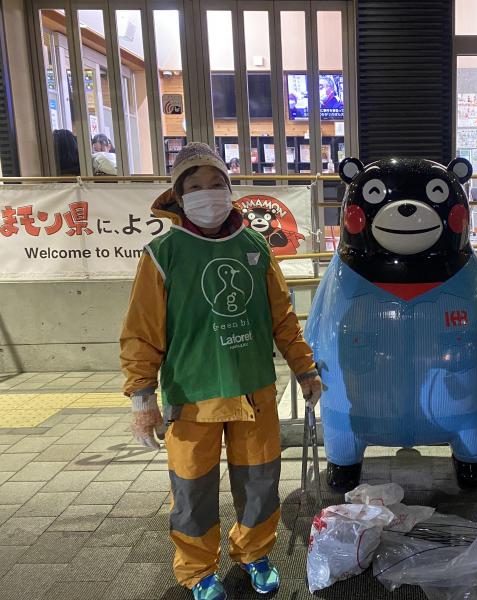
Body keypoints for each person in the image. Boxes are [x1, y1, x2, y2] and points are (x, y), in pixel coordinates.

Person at [120, 142, 322, 600]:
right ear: (178, 196)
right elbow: (141, 330)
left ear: (230, 190)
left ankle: (254, 554)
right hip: (192, 396)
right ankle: (197, 570)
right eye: (196, 186)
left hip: (253, 393)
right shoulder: (162, 254)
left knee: (260, 484)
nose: (208, 194)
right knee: (192, 492)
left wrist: (305, 369)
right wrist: (141, 397)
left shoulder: (254, 245)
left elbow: (282, 318)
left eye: (217, 184)